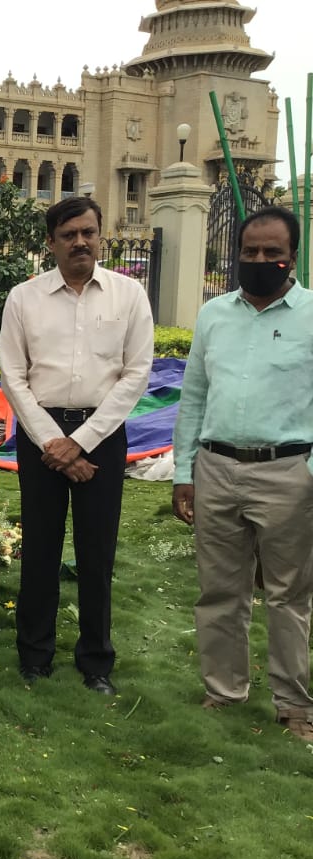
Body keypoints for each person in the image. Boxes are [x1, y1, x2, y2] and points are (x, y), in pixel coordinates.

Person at [0, 197, 153, 695]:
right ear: (51, 242)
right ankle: (35, 655)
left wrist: (81, 442)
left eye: (88, 232)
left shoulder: (128, 296)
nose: (80, 242)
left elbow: (135, 375)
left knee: (96, 552)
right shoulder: (24, 298)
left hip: (102, 437)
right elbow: (12, 376)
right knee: (40, 549)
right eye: (68, 234)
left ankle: (96, 662)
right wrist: (52, 441)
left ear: (100, 235)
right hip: (40, 434)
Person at [171, 207, 313, 744]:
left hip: (286, 472)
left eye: (270, 252)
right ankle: (224, 689)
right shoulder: (213, 315)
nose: (259, 261)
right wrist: (184, 471)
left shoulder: (311, 315)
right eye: (249, 252)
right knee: (220, 591)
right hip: (217, 469)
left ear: (291, 256)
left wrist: (308, 473)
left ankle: (294, 704)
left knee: (288, 595)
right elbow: (194, 396)